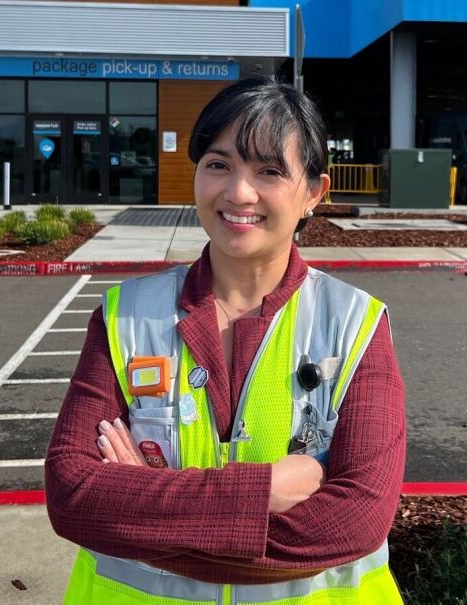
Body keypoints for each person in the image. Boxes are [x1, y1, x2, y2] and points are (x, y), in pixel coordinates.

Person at [45, 77, 406, 604]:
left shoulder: (355, 325)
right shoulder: (124, 318)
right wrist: (264, 492)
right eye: (219, 165)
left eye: (269, 171)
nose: (238, 192)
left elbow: (355, 522)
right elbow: (73, 494)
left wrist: (142, 505)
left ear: (313, 193)